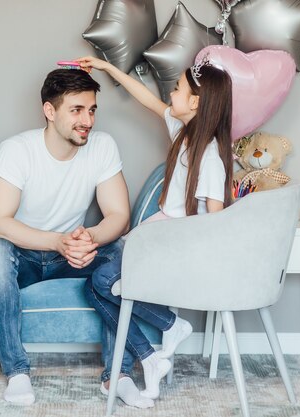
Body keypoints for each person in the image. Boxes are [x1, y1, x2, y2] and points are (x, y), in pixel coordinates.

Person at [76, 54, 234, 407]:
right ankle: (150, 355)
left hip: (170, 243)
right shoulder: (183, 131)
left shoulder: (209, 157)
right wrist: (108, 68)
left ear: (195, 102)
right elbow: (147, 99)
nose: (170, 94)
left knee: (100, 283)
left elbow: (215, 221)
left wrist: (195, 260)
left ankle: (164, 332)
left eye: (176, 89)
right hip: (156, 233)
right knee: (97, 282)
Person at [0, 68, 131, 406]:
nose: (87, 120)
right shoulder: (16, 150)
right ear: (50, 111)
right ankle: (17, 371)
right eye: (76, 110)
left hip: (72, 254)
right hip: (25, 254)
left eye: (92, 110)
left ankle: (118, 374)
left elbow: (119, 215)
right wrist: (57, 241)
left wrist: (88, 238)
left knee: (122, 250)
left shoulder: (103, 146)